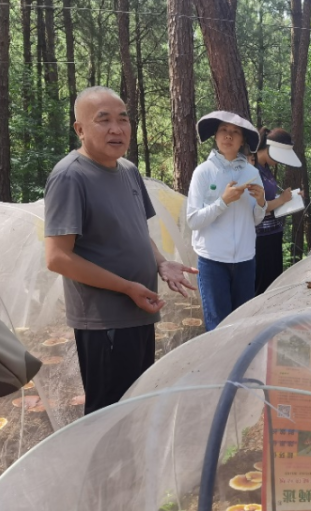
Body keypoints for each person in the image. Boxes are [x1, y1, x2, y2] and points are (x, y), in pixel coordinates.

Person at [45, 87, 197, 415]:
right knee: (108, 414)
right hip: (105, 321)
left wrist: (161, 263)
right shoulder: (70, 177)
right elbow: (57, 257)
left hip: (139, 311)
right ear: (80, 129)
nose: (116, 129)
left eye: (123, 119)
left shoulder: (127, 170)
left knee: (135, 404)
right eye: (104, 120)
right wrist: (127, 287)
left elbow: (137, 231)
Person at [187, 111, 267, 330]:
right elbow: (193, 220)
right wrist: (223, 201)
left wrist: (261, 202)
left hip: (245, 260)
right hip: (212, 260)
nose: (228, 136)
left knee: (242, 325)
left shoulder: (251, 173)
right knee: (217, 326)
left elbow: (256, 220)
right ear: (215, 136)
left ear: (242, 141)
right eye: (223, 130)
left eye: (235, 132)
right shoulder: (203, 172)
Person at [252, 128, 302, 294]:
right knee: (261, 285)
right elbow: (256, 207)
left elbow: (270, 199)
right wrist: (281, 200)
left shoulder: (265, 168)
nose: (279, 163)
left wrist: (291, 198)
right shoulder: (252, 169)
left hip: (273, 232)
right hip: (260, 237)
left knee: (273, 282)